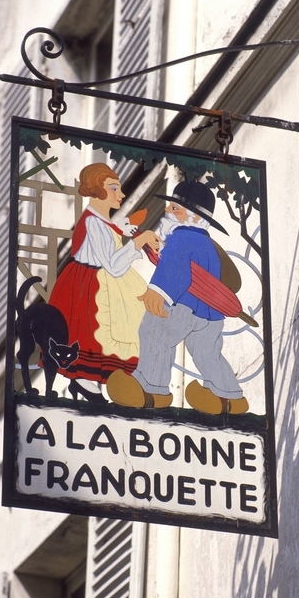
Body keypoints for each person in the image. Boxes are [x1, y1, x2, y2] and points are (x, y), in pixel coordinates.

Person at [106, 180, 248, 414]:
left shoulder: (181, 238)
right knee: (206, 353)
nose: (167, 211)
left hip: (184, 307)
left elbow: (175, 268)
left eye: (175, 208)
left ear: (194, 216)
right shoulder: (206, 243)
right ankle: (228, 397)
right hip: (211, 315)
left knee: (154, 332)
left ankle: (151, 390)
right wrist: (136, 234)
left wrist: (158, 291)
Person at [47, 162, 158, 400]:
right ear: (97, 188)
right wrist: (139, 241)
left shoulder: (102, 222)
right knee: (94, 336)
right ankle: (86, 383)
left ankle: (103, 385)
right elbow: (114, 266)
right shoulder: (93, 222)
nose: (121, 194)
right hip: (91, 286)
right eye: (114, 188)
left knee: (118, 333)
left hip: (99, 281)